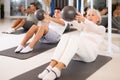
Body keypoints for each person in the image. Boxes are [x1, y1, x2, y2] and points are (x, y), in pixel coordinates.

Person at [37, 9, 106, 80]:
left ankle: (57, 70)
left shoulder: (101, 28)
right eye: (88, 15)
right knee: (65, 36)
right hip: (78, 55)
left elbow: (93, 27)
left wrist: (84, 20)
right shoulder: (84, 27)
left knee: (75, 38)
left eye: (93, 15)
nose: (90, 16)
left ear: (98, 19)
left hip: (90, 55)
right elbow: (75, 23)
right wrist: (70, 17)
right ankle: (50, 67)